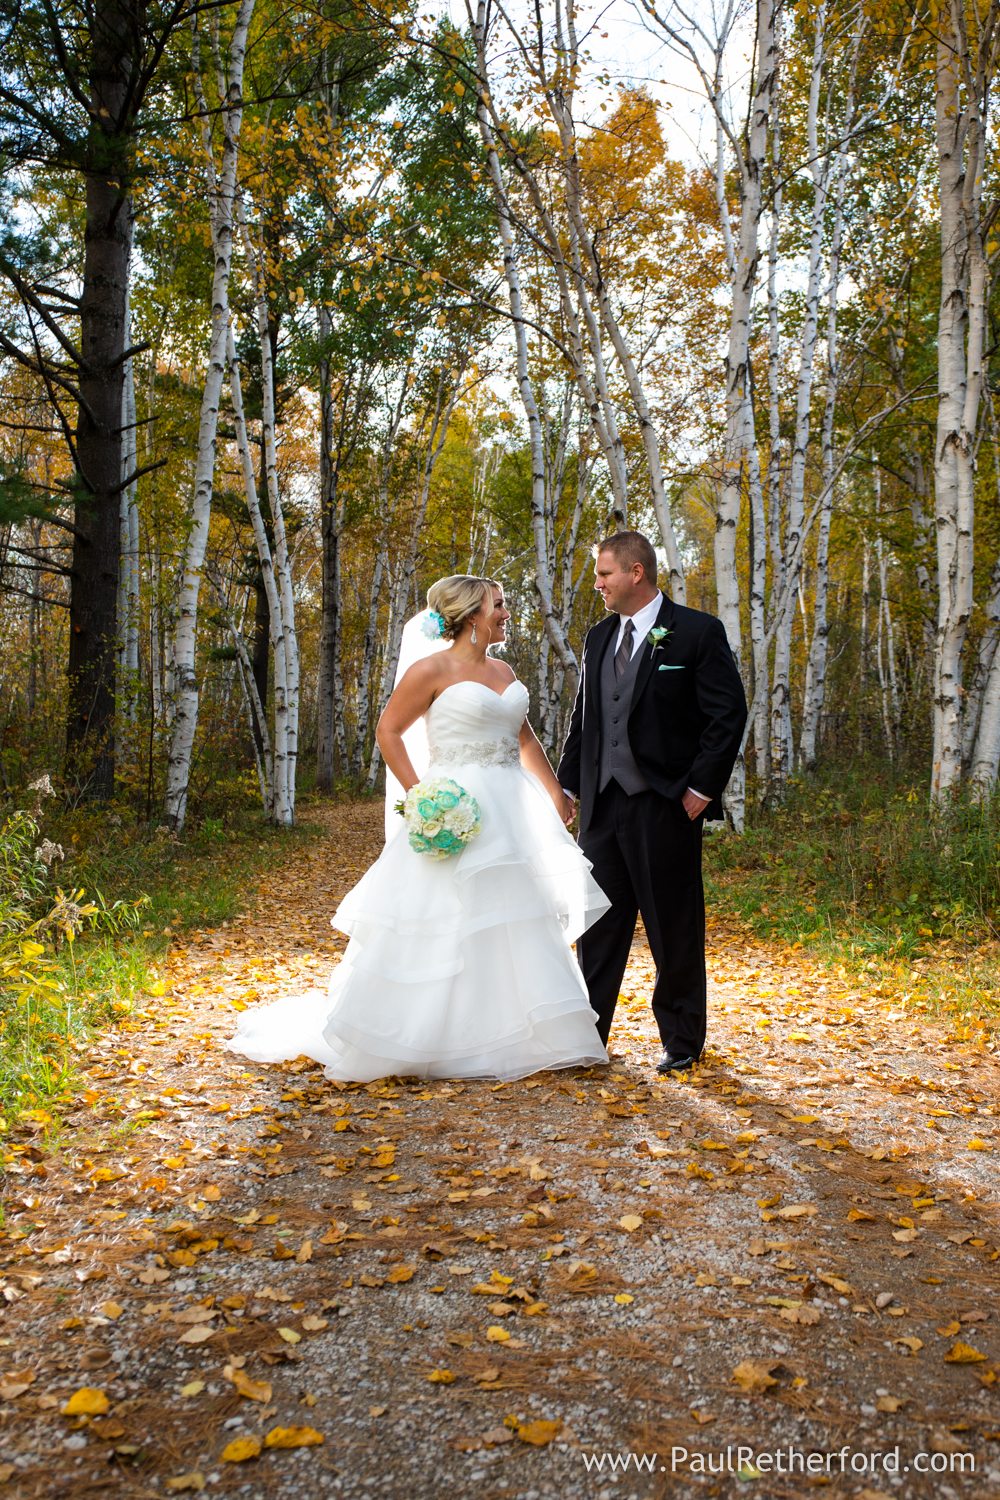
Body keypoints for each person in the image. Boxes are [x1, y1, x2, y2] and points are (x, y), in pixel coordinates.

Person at [227, 575, 610, 1082]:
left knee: (510, 915)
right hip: (456, 806)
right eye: (499, 605)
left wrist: (555, 794)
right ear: (473, 614)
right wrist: (421, 793)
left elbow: (524, 740)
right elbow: (388, 731)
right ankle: (427, 1036)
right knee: (443, 915)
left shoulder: (503, 669)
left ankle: (515, 1032)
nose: (506, 613)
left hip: (511, 809)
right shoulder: (430, 669)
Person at [557, 531, 747, 1074]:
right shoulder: (597, 638)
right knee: (597, 925)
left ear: (636, 573)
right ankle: (588, 1036)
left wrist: (700, 789)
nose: (598, 585)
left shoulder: (696, 632)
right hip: (600, 803)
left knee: (673, 924)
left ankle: (682, 1041)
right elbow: (586, 721)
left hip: (664, 803)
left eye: (604, 574)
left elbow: (726, 715)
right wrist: (568, 787)